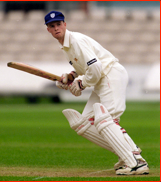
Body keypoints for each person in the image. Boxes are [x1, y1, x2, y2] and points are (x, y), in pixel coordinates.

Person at [44, 10, 149, 175]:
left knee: (105, 120)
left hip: (109, 75)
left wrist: (82, 83)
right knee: (83, 123)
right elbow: (84, 67)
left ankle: (135, 163)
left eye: (58, 24)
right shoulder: (66, 46)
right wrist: (71, 77)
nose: (56, 28)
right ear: (48, 30)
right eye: (52, 26)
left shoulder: (75, 41)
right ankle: (128, 153)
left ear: (65, 25)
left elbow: (95, 68)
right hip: (102, 79)